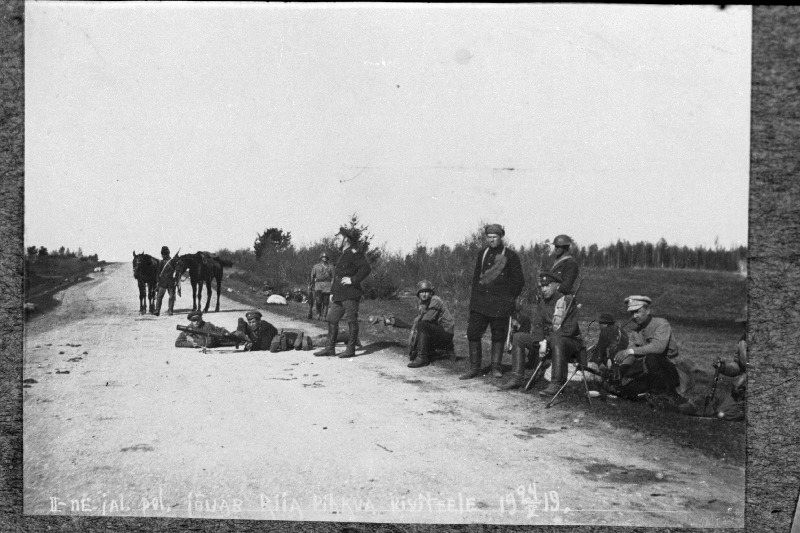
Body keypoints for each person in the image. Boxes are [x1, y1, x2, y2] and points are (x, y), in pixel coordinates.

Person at [460, 224, 525, 380]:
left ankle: (496, 367)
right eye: (489, 237)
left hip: (500, 305)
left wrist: (509, 299)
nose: (491, 240)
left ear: (501, 237)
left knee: (498, 336)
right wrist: (473, 303)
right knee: (473, 333)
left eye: (494, 237)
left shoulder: (510, 255)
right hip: (480, 303)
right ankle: (474, 368)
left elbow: (519, 281)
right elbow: (476, 280)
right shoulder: (482, 254)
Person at [614, 295, 693, 399]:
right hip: (654, 374)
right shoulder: (635, 331)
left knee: (652, 357)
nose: (634, 316)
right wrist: (621, 370)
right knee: (626, 391)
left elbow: (658, 347)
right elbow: (630, 355)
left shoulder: (661, 324)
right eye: (632, 313)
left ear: (647, 311)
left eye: (637, 311)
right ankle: (656, 393)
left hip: (674, 373)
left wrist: (630, 351)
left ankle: (670, 394)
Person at [522, 272, 584, 396]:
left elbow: (568, 330)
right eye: (542, 286)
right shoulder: (543, 303)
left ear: (557, 285)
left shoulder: (567, 301)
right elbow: (538, 325)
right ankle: (517, 376)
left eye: (547, 285)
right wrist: (540, 341)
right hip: (549, 340)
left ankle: (556, 383)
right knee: (519, 338)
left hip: (570, 343)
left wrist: (546, 341)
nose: (544, 289)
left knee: (557, 339)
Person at [313, 227, 372, 358]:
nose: (336, 241)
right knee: (331, 318)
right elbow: (337, 276)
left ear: (346, 240)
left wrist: (353, 280)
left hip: (351, 293)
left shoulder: (354, 253)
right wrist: (333, 292)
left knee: (351, 320)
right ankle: (329, 348)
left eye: (339, 238)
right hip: (339, 293)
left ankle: (350, 349)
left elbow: (366, 268)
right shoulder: (343, 254)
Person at [401, 280, 456, 368]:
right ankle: (446, 350)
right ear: (418, 294)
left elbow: (427, 318)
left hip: (446, 333)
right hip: (438, 331)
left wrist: (416, 321)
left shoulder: (435, 300)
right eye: (421, 292)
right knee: (422, 326)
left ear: (431, 293)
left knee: (422, 325)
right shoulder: (423, 303)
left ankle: (422, 358)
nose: (424, 294)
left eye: (426, 291)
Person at [309, 252, 334, 319]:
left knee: (326, 302)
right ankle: (318, 314)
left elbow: (333, 277)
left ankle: (324, 316)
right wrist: (311, 284)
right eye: (323, 257)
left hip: (327, 285)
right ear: (320, 258)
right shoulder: (316, 267)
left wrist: (332, 284)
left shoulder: (331, 267)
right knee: (318, 301)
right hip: (318, 285)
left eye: (325, 257)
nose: (324, 259)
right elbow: (312, 276)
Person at [154, 245, 177, 316]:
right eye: (162, 254)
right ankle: (157, 310)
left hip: (171, 282)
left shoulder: (173, 261)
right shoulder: (161, 262)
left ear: (167, 254)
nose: (163, 256)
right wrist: (157, 281)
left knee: (171, 297)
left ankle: (170, 310)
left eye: (164, 254)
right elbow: (158, 273)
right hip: (162, 282)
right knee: (159, 297)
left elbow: (176, 271)